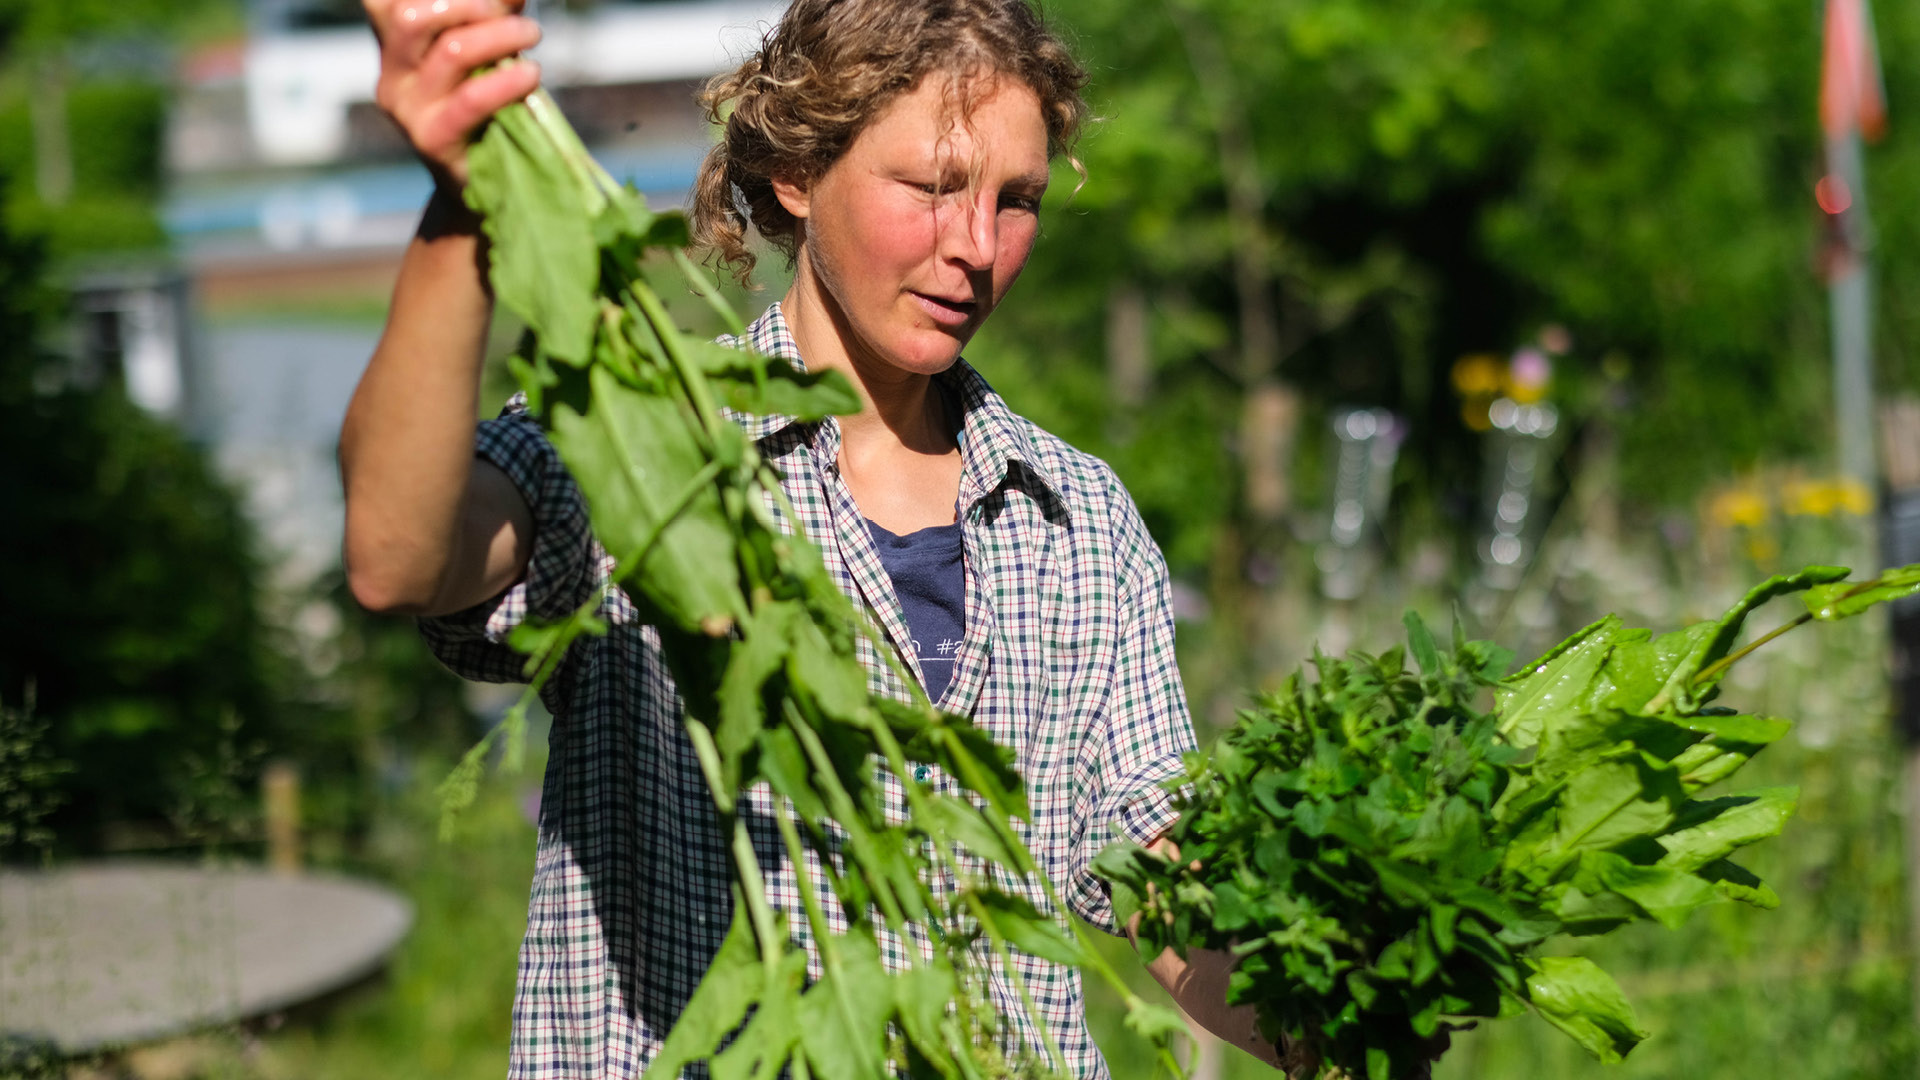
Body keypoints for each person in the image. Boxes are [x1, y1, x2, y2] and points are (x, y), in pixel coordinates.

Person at [340, 0, 1310, 1075]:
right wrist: (462, 210)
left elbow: (1160, 876)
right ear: (799, 170)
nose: (977, 247)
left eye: (1018, 199)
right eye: (934, 186)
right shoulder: (645, 451)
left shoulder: (1076, 518)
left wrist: (1352, 1006)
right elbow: (400, 556)